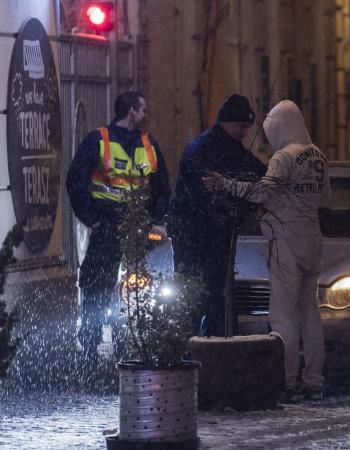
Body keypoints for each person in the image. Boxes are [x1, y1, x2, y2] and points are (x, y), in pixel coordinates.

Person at [202, 100, 330, 401]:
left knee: (283, 314)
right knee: (311, 314)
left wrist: (225, 184)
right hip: (313, 238)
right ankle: (314, 380)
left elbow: (261, 191)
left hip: (285, 240)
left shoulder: (283, 157)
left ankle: (286, 379)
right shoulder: (318, 156)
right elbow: (325, 197)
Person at [66, 91, 170, 383]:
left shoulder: (147, 143)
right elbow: (75, 179)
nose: (146, 114)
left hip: (140, 230)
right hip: (109, 227)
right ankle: (90, 359)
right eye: (143, 109)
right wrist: (94, 219)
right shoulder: (99, 140)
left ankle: (131, 352)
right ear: (132, 111)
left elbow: (163, 187)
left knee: (139, 294)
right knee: (97, 293)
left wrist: (159, 221)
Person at [169, 94, 267, 336]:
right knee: (196, 294)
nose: (245, 133)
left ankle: (213, 347)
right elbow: (202, 195)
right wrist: (237, 207)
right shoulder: (202, 150)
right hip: (196, 236)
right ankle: (196, 346)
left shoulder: (231, 149)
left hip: (214, 236)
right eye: (242, 127)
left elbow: (260, 178)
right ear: (228, 122)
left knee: (215, 295)